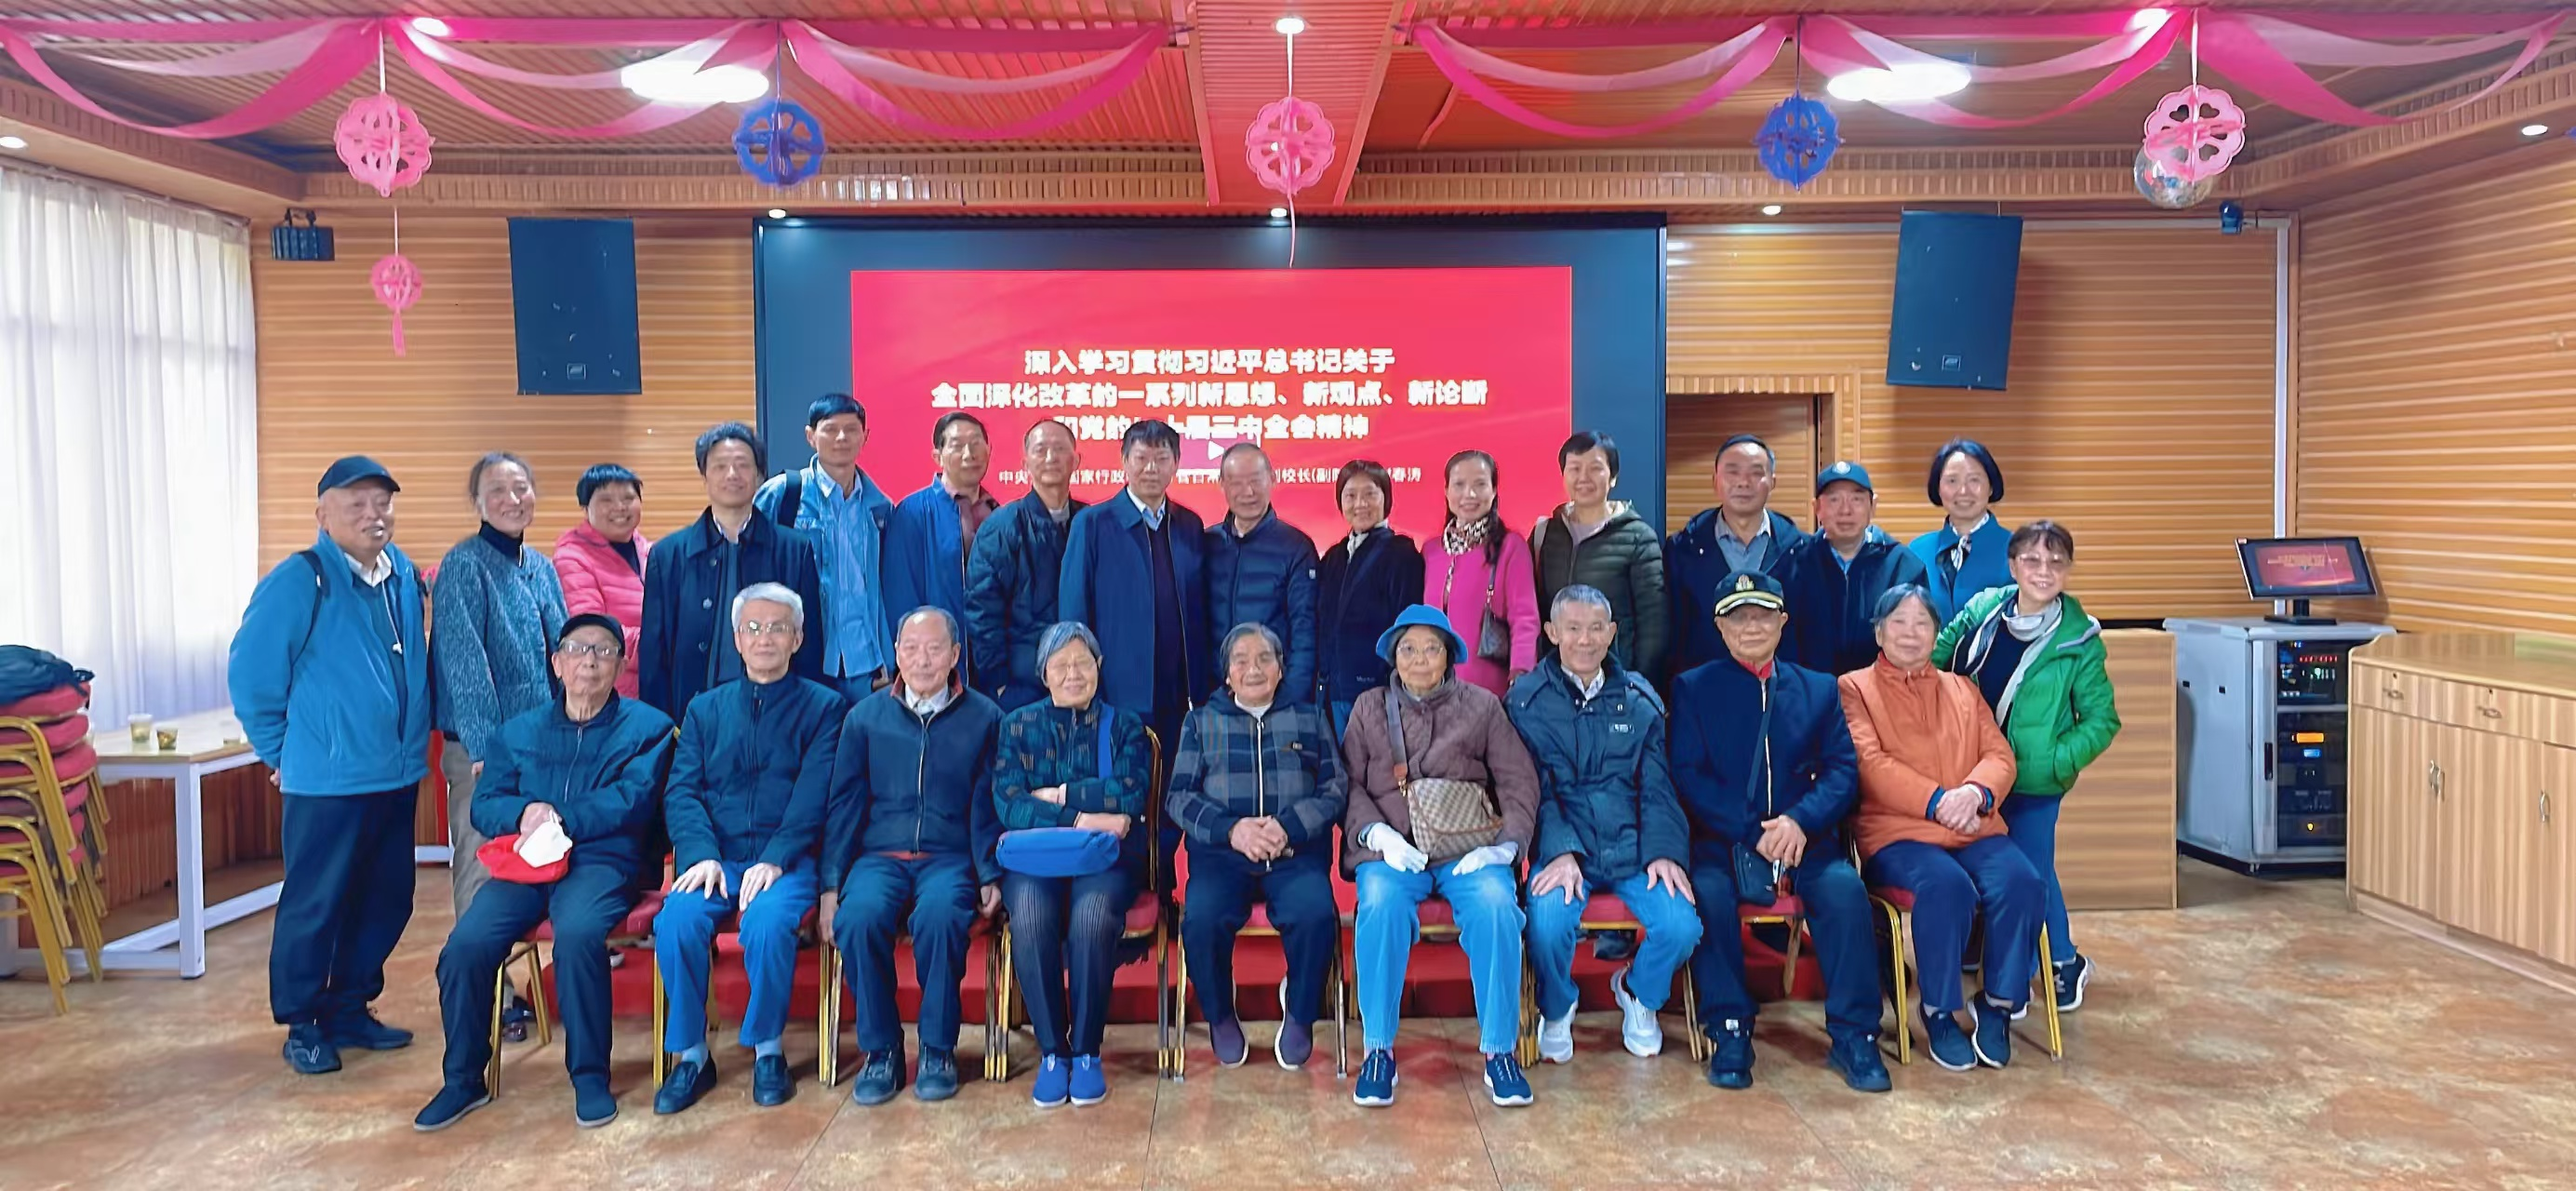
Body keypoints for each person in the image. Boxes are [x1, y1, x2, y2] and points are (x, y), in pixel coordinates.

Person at [415, 614, 674, 1132]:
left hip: (603, 861)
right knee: (465, 946)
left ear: (620, 666)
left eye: (603, 651)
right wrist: (524, 813)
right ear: (556, 663)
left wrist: (560, 817)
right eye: (577, 650)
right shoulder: (517, 732)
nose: (589, 662)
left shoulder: (650, 729)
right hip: (527, 863)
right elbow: (485, 804)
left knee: (577, 936)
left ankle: (590, 1076)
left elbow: (634, 801)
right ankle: (463, 1078)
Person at [229, 456, 433, 1077]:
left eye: (383, 503)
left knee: (386, 899)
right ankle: (302, 1022)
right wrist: (282, 753)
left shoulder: (401, 573)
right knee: (316, 903)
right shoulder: (300, 579)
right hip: (327, 782)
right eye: (356, 504)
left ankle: (348, 1006)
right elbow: (251, 676)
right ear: (323, 514)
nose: (374, 515)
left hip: (396, 774)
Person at [1667, 570, 1888, 1093]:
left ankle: (1855, 1034)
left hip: (1804, 839)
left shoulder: (1819, 689)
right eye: (1738, 617)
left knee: (1845, 891)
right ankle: (1729, 1027)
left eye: (1762, 615)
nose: (1751, 626)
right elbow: (1689, 774)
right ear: (1719, 626)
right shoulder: (1694, 688)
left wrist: (1800, 821)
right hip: (1725, 841)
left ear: (1783, 621)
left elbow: (1842, 771)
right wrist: (1752, 830)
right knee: (1709, 894)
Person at [651, 582, 847, 1115]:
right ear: (737, 639)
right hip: (716, 858)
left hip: (789, 860)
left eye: (778, 628)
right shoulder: (705, 709)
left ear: (797, 639)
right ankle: (692, 1056)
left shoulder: (825, 708)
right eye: (753, 628)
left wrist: (777, 857)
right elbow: (682, 790)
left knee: (766, 922)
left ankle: (767, 1050)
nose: (765, 638)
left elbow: (815, 794)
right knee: (677, 922)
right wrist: (701, 853)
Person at [1340, 606, 1541, 1109]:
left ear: (1450, 655)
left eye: (1432, 648)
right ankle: (1378, 1050)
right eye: (1408, 649)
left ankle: (1500, 1051)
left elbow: (1518, 781)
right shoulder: (1368, 708)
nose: (1420, 659)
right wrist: (1377, 834)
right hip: (1394, 849)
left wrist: (1506, 846)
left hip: (1466, 847)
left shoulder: (1483, 707)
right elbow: (1347, 785)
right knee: (1379, 904)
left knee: (1497, 905)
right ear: (1393, 656)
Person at [1842, 584, 2042, 1073]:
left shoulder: (1963, 689)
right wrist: (1937, 801)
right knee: (1947, 887)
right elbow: (1870, 764)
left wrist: (1974, 793)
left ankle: (1997, 1005)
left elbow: (1999, 755)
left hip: (1973, 825)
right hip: (1899, 835)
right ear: (1879, 632)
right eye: (1898, 622)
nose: (1910, 633)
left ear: (1936, 634)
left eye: (1922, 623)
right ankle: (1938, 1010)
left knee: (2023, 881)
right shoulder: (1853, 688)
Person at [1510, 586, 1702, 1064]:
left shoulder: (1640, 699)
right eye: (1573, 628)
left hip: (1632, 849)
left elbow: (1658, 787)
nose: (1585, 639)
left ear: (1612, 632)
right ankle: (1558, 1007)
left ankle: (1639, 993)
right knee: (1547, 923)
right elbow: (1531, 789)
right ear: (1552, 632)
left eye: (1596, 628)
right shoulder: (1525, 703)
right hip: (1564, 847)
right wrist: (1559, 850)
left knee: (1681, 925)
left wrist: (1664, 853)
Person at [1933, 520, 2119, 1011]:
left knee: (2030, 872)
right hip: (1974, 772)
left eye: (2056, 562)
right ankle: (2017, 957)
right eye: (2032, 560)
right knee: (2000, 866)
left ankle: (2051, 966)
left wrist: (2055, 761)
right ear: (2013, 565)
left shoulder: (2079, 638)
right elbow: (1936, 661)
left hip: (2035, 782)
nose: (2044, 570)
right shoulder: (1983, 610)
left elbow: (2102, 720)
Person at [824, 607, 1005, 1106]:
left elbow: (988, 803)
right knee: (857, 919)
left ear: (955, 654)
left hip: (949, 857)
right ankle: (881, 1050)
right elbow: (844, 805)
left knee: (941, 917)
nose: (923, 660)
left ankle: (937, 1049)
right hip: (879, 856)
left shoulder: (985, 717)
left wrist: (989, 872)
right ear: (897, 654)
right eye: (911, 649)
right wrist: (831, 884)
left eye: (934, 649)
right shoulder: (864, 718)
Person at [429, 452, 567, 1044]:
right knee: (482, 866)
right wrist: (489, 751)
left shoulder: (540, 566)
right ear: (477, 502)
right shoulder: (464, 566)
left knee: (533, 861)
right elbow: (463, 664)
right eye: (497, 490)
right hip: (485, 752)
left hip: (541, 745)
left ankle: (518, 982)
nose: (512, 499)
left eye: (521, 487)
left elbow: (562, 653)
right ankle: (489, 997)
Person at [992, 622, 1155, 1109]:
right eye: (1060, 665)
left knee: (1092, 916)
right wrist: (1084, 817)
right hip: (1035, 858)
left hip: (1105, 860)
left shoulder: (1124, 726)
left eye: (1083, 662)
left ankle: (1085, 1051)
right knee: (1030, 915)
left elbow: (1129, 795)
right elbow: (1010, 804)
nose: (1072, 674)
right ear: (1043, 673)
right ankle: (1052, 1053)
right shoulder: (1016, 725)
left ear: (1099, 667)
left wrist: (1058, 795)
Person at [1168, 623, 1346, 1070]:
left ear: (1281, 669)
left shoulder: (1309, 718)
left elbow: (1334, 788)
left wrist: (1287, 827)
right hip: (1222, 858)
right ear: (1227, 674)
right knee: (1201, 920)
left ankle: (1300, 1012)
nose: (1254, 669)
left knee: (1315, 914)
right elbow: (1179, 797)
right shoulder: (1200, 722)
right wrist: (1233, 830)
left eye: (1265, 658)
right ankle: (1220, 1013)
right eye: (1241, 660)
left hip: (1292, 855)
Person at [1061, 419, 1208, 882]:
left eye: (1162, 458)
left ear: (1176, 464)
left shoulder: (1189, 525)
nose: (1151, 468)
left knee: (1172, 794)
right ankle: (1121, 892)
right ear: (1124, 463)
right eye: (1141, 458)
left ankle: (1161, 887)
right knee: (1123, 792)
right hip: (1116, 692)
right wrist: (1082, 685)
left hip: (1178, 693)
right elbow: (1073, 615)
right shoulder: (1094, 524)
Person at [644, 422, 828, 721]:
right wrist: (660, 728)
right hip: (691, 716)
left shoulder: (794, 550)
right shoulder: (668, 555)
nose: (732, 474)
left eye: (743, 465)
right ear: (704, 475)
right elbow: (655, 656)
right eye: (720, 466)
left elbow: (808, 644)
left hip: (777, 714)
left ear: (759, 475)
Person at [755, 395, 894, 702]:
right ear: (810, 436)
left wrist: (889, 660)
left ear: (865, 436)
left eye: (851, 429)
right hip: (801, 660)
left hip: (866, 666)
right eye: (830, 429)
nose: (841, 438)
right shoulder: (783, 494)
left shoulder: (880, 507)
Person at [966, 420, 1088, 710]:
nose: (1051, 457)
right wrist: (999, 684)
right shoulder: (1003, 527)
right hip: (1023, 685)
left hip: (1083, 679)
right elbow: (982, 611)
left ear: (1076, 461)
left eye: (1060, 449)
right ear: (1025, 463)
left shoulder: (1091, 522)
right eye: (1041, 450)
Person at [1530, 431, 1668, 681]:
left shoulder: (1638, 537)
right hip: (1555, 679)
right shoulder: (1545, 534)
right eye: (1575, 468)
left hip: (1615, 678)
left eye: (1595, 468)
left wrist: (1636, 683)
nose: (1584, 478)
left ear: (1612, 477)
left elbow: (1653, 624)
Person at [1666, 435, 1807, 678]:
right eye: (1732, 472)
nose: (1743, 482)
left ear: (1773, 482)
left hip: (1781, 688)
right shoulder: (1682, 550)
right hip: (1704, 687)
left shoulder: (1802, 550)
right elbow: (1672, 632)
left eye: (1756, 473)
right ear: (1715, 481)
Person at [1776, 461, 1929, 676]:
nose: (1845, 510)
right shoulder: (1793, 564)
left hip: (1882, 690)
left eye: (1856, 499)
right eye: (1834, 500)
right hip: (1810, 692)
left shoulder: (1903, 566)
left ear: (1873, 506)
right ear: (1817, 508)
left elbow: (1915, 642)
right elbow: (1784, 644)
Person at [1203, 445, 1320, 706]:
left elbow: (1305, 630)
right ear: (1221, 484)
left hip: (1273, 695)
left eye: (1256, 481)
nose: (1248, 492)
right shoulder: (1205, 543)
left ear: (1272, 479)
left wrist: (1292, 699)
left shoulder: (1296, 547)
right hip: (1215, 698)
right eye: (1236, 482)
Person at [884, 412, 1001, 667]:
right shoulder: (913, 512)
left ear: (989, 450)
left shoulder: (999, 513)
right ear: (937, 456)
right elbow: (901, 595)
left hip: (992, 661)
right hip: (935, 663)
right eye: (957, 446)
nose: (969, 454)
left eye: (976, 443)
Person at [1315, 460, 1423, 735]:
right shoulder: (1333, 557)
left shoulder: (1401, 554)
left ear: (1386, 498)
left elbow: (1407, 627)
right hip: (1333, 691)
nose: (1360, 504)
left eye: (1370, 494)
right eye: (1350, 495)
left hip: (1379, 693)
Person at [1423, 449, 1539, 698]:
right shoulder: (1431, 551)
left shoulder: (1511, 546)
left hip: (1487, 691)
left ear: (1494, 490)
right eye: (1459, 485)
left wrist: (1521, 673)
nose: (1470, 494)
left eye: (1480, 484)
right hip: (1433, 690)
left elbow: (1525, 618)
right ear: (1446, 491)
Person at [553, 463, 652, 699]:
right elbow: (594, 631)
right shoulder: (572, 558)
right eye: (606, 500)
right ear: (585, 507)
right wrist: (662, 645)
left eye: (628, 498)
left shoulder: (650, 551)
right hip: (609, 694)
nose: (620, 507)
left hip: (654, 686)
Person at [1907, 438, 2012, 623]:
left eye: (1974, 480)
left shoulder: (2018, 550)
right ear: (1938, 488)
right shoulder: (1917, 551)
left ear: (1991, 487)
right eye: (1952, 481)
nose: (1963, 491)